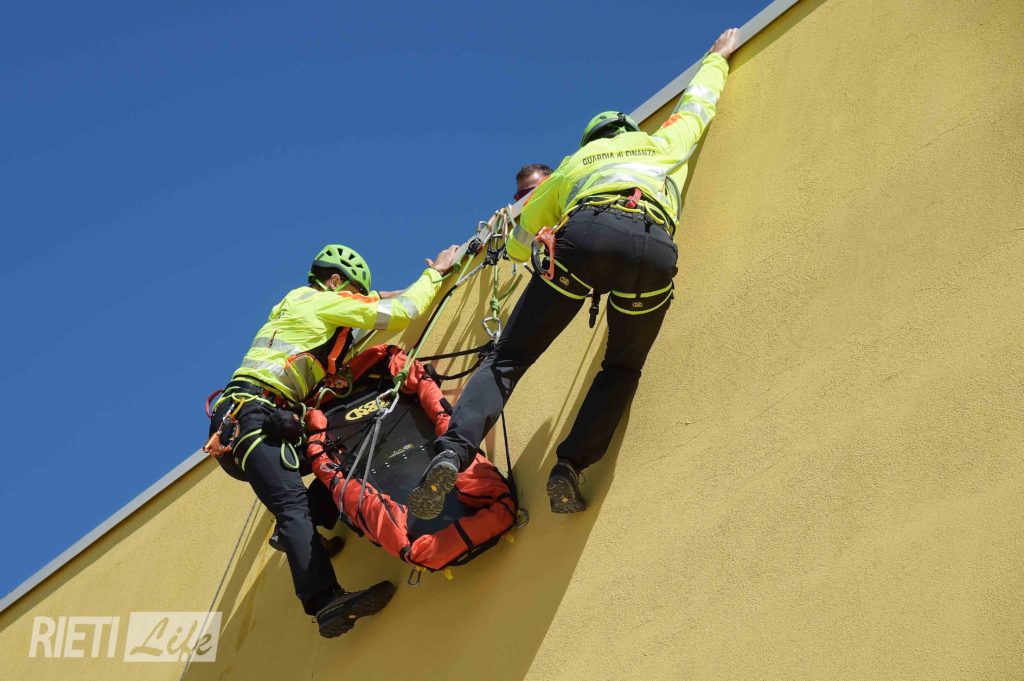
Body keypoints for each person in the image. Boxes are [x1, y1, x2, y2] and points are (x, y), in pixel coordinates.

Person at [408, 28, 741, 518]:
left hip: (584, 240)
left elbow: (519, 240)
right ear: (629, 130)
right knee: (621, 367)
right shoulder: (662, 142)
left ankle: (452, 454)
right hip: (653, 251)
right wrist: (716, 58)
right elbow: (698, 104)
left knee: (507, 360)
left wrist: (539, 241)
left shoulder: (572, 165)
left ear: (591, 141)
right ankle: (570, 467)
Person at [206, 241, 459, 637]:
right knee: (291, 507)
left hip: (260, 419)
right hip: (250, 417)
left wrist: (387, 292)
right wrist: (436, 274)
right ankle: (325, 602)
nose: (355, 305)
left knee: (339, 451)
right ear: (336, 281)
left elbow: (373, 303)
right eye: (353, 294)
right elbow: (403, 312)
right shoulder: (318, 301)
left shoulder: (302, 307)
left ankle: (306, 522)